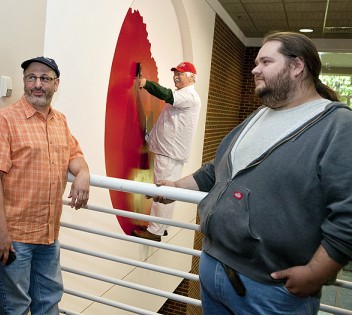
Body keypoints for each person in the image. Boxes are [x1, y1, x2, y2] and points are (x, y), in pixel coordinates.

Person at [152, 32, 352, 314]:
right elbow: (216, 170)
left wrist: (317, 272)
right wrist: (174, 187)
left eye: (266, 61)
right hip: (213, 268)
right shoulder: (260, 114)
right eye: (256, 61)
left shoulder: (337, 125)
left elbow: (348, 213)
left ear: (297, 67)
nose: (255, 69)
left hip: (270, 292)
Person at [0, 56, 90, 315]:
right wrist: (1, 232)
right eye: (31, 78)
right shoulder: (4, 120)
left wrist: (84, 173)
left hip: (48, 235)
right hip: (15, 238)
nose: (37, 84)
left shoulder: (60, 121)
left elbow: (74, 155)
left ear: (56, 84)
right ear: (24, 82)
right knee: (16, 309)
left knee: (49, 304)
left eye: (45, 79)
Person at [132, 61, 201, 242]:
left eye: (181, 74)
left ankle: (155, 231)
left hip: (170, 152)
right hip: (169, 150)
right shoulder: (184, 96)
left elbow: (165, 94)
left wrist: (146, 84)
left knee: (162, 189)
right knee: (167, 189)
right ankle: (162, 228)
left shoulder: (189, 96)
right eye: (175, 73)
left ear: (192, 78)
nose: (176, 77)